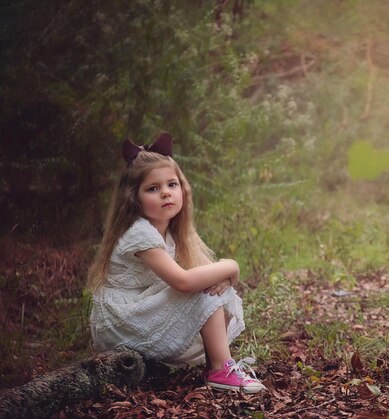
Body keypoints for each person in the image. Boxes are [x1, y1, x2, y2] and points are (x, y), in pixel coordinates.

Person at [87, 132, 265, 394]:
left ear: (183, 188)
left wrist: (221, 276)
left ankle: (218, 366)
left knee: (213, 286)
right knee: (201, 290)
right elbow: (183, 282)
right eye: (153, 188)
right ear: (134, 198)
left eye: (172, 185)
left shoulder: (171, 231)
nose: (166, 194)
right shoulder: (140, 233)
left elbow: (204, 271)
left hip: (138, 312)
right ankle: (220, 370)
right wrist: (232, 266)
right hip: (120, 323)